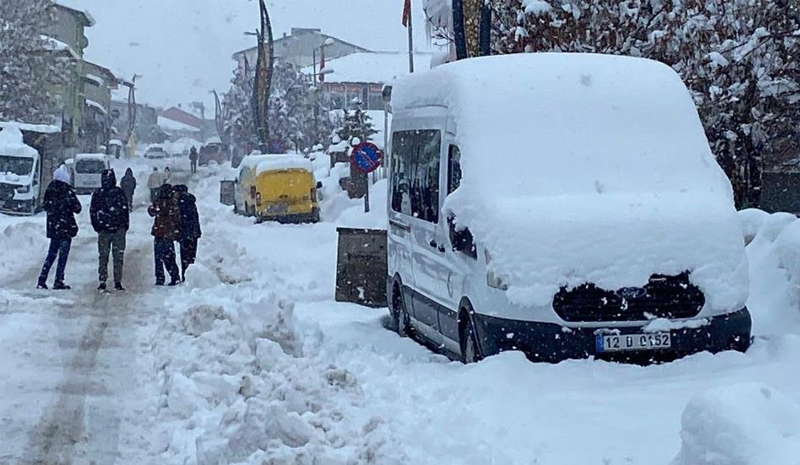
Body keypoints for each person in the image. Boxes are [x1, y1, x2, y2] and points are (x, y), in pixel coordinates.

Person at [37, 166, 82, 290]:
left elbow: (45, 206)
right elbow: (77, 208)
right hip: (65, 228)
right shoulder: (67, 191)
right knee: (63, 255)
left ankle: (42, 279)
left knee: (51, 254)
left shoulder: (50, 190)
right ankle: (58, 279)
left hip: (53, 227)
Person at [90, 169, 130, 291]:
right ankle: (117, 281)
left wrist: (97, 225)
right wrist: (124, 225)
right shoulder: (119, 192)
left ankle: (103, 280)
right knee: (118, 256)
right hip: (118, 229)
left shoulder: (98, 193)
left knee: (103, 256)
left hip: (104, 230)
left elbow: (93, 211)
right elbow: (125, 210)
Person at [148, 184, 182, 286]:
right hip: (168, 233)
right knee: (169, 257)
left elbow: (152, 211)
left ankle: (161, 278)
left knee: (160, 258)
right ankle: (174, 276)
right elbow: (176, 218)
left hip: (160, 232)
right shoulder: (173, 203)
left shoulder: (161, 202)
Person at [174, 184, 201, 281]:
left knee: (184, 257)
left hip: (185, 233)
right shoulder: (190, 201)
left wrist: (178, 232)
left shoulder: (181, 203)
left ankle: (186, 277)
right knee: (191, 256)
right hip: (193, 233)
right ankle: (191, 276)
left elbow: (180, 219)